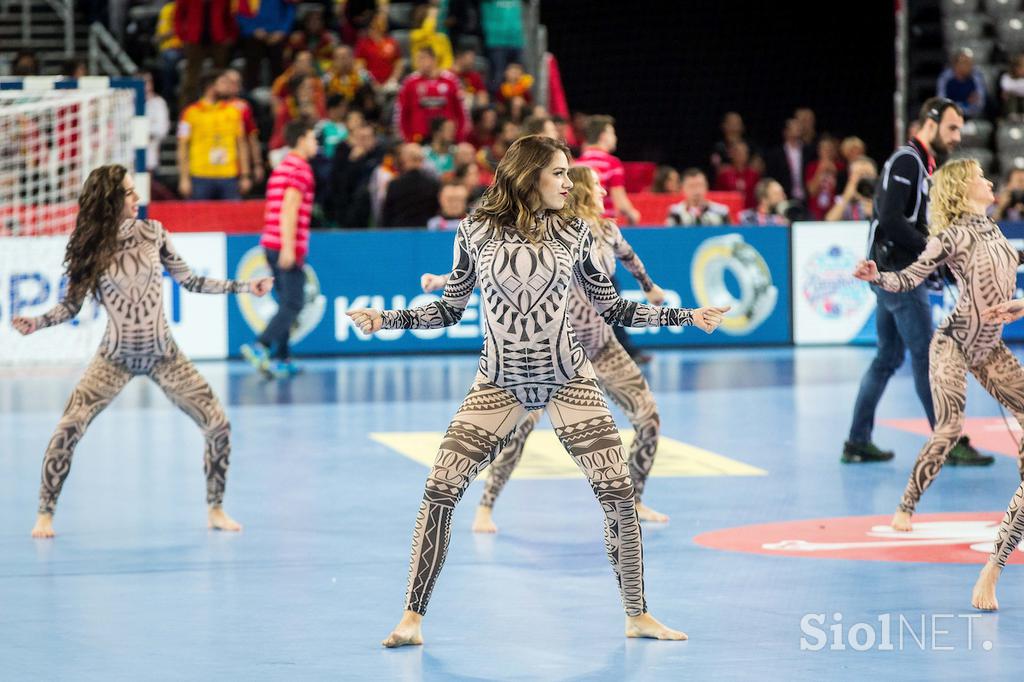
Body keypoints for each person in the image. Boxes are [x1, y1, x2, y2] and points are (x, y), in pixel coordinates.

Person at [347, 135, 729, 648]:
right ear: (530, 176)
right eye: (560, 174)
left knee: (617, 494)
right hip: (498, 382)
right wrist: (386, 319)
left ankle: (637, 614)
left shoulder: (575, 233)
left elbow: (613, 309)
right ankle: (411, 620)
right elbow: (447, 310)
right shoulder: (474, 231)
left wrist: (685, 316)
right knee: (439, 489)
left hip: (569, 379)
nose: (571, 184)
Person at [11, 165, 272, 538]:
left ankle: (216, 509)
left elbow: (192, 281)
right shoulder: (91, 249)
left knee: (218, 425)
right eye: (130, 193)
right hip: (113, 358)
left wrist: (246, 287)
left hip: (164, 354)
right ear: (111, 200)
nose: (138, 199)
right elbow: (70, 307)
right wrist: (37, 323)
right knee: (68, 426)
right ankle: (44, 514)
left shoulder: (154, 233)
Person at [421, 165, 672, 530]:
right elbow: (489, 267)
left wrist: (650, 287)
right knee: (519, 428)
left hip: (602, 345)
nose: (604, 193)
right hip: (555, 354)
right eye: (599, 187)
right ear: (584, 191)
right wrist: (445, 280)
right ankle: (486, 507)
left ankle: (633, 501)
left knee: (648, 418)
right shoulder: (551, 233)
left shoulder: (606, 230)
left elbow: (631, 257)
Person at [852, 159, 1020, 533]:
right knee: (949, 428)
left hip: (989, 346)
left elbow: (1010, 260)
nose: (990, 181)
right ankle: (905, 507)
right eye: (980, 177)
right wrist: (878, 275)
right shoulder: (952, 237)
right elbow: (912, 277)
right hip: (954, 343)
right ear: (963, 189)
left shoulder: (992, 230)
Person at [844, 97, 989, 466]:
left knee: (888, 357)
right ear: (931, 122)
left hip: (897, 270)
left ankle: (857, 441)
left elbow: (912, 221)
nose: (957, 137)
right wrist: (933, 249)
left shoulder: (926, 164)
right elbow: (891, 218)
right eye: (952, 128)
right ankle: (948, 442)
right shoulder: (907, 160)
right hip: (898, 274)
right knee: (928, 356)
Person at [240, 121, 318, 378]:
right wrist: (288, 248)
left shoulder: (281, 168)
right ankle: (260, 345)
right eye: (312, 138)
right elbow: (289, 209)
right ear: (301, 140)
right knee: (294, 302)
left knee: (285, 301)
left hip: (270, 242)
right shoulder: (300, 169)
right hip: (286, 244)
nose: (316, 143)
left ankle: (282, 358)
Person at [177, 71, 251, 200]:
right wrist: (184, 178)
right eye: (223, 83)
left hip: (229, 175)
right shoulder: (190, 113)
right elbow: (182, 147)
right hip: (200, 176)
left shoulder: (234, 111)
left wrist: (245, 175)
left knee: (232, 218)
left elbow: (242, 144)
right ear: (210, 87)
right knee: (199, 218)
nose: (228, 87)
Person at [576, 115, 641, 224]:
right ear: (603, 136)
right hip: (604, 226)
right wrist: (633, 214)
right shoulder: (612, 163)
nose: (615, 137)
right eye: (612, 133)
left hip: (583, 226)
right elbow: (620, 204)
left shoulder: (577, 164)